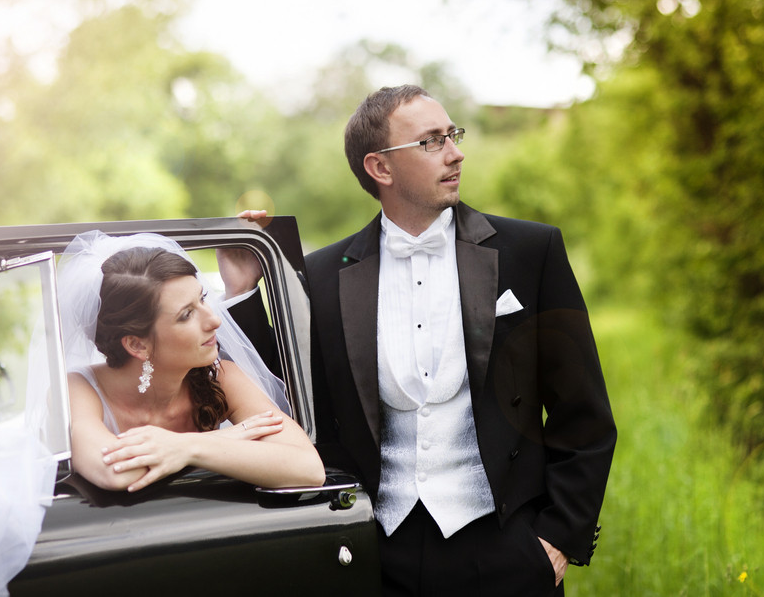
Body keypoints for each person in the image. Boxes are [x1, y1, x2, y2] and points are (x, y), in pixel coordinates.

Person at [225, 85, 616, 596]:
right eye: (432, 141)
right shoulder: (322, 276)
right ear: (380, 168)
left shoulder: (530, 251)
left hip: (507, 548)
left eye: (452, 135)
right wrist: (240, 291)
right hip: (379, 552)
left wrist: (558, 538)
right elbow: (282, 400)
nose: (456, 153)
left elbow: (582, 411)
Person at [57, 230, 325, 493]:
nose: (214, 320)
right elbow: (116, 472)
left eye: (203, 299)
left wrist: (186, 447)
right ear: (138, 344)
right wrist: (222, 438)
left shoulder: (222, 377)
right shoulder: (76, 389)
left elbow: (308, 468)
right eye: (186, 314)